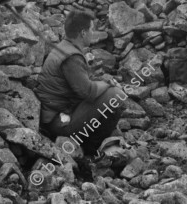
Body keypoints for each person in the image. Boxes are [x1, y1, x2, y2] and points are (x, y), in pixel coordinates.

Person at [34, 10, 125, 156]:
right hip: (58, 122)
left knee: (108, 92)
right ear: (83, 33)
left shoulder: (64, 47)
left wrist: (99, 79)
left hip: (54, 114)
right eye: (91, 29)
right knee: (117, 95)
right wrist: (108, 83)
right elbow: (88, 92)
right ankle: (91, 149)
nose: (93, 33)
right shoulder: (72, 57)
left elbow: (79, 83)